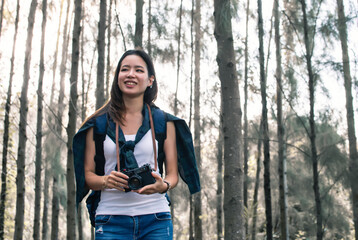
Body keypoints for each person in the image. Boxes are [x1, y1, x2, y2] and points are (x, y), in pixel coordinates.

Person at [73, 49, 200, 240]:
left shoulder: (164, 122)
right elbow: (88, 176)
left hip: (156, 218)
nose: (131, 74)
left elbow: (173, 174)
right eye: (125, 69)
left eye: (139, 70)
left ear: (150, 80)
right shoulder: (98, 124)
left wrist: (163, 186)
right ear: (118, 78)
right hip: (110, 219)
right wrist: (106, 181)